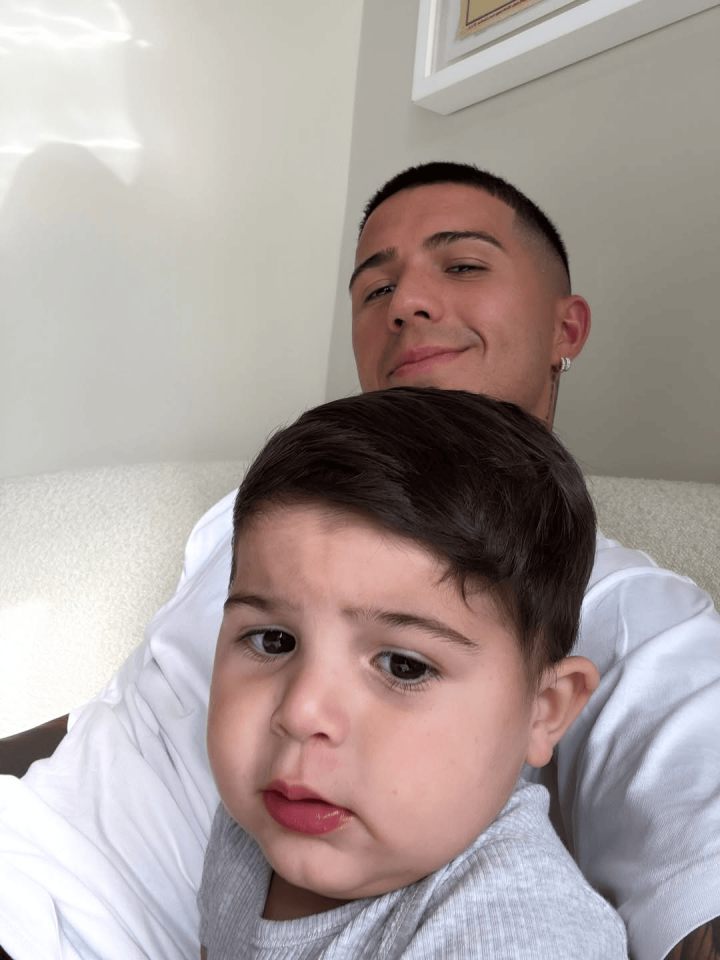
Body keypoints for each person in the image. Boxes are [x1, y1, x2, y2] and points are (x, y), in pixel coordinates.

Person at [1, 162, 718, 960]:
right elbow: (131, 707)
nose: (405, 302)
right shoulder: (259, 517)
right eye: (376, 288)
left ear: (566, 328)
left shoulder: (629, 612)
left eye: (462, 265)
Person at [198, 385, 627, 959]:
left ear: (542, 712)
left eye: (403, 666)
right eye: (274, 640)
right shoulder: (262, 814)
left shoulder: (518, 933)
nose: (299, 713)